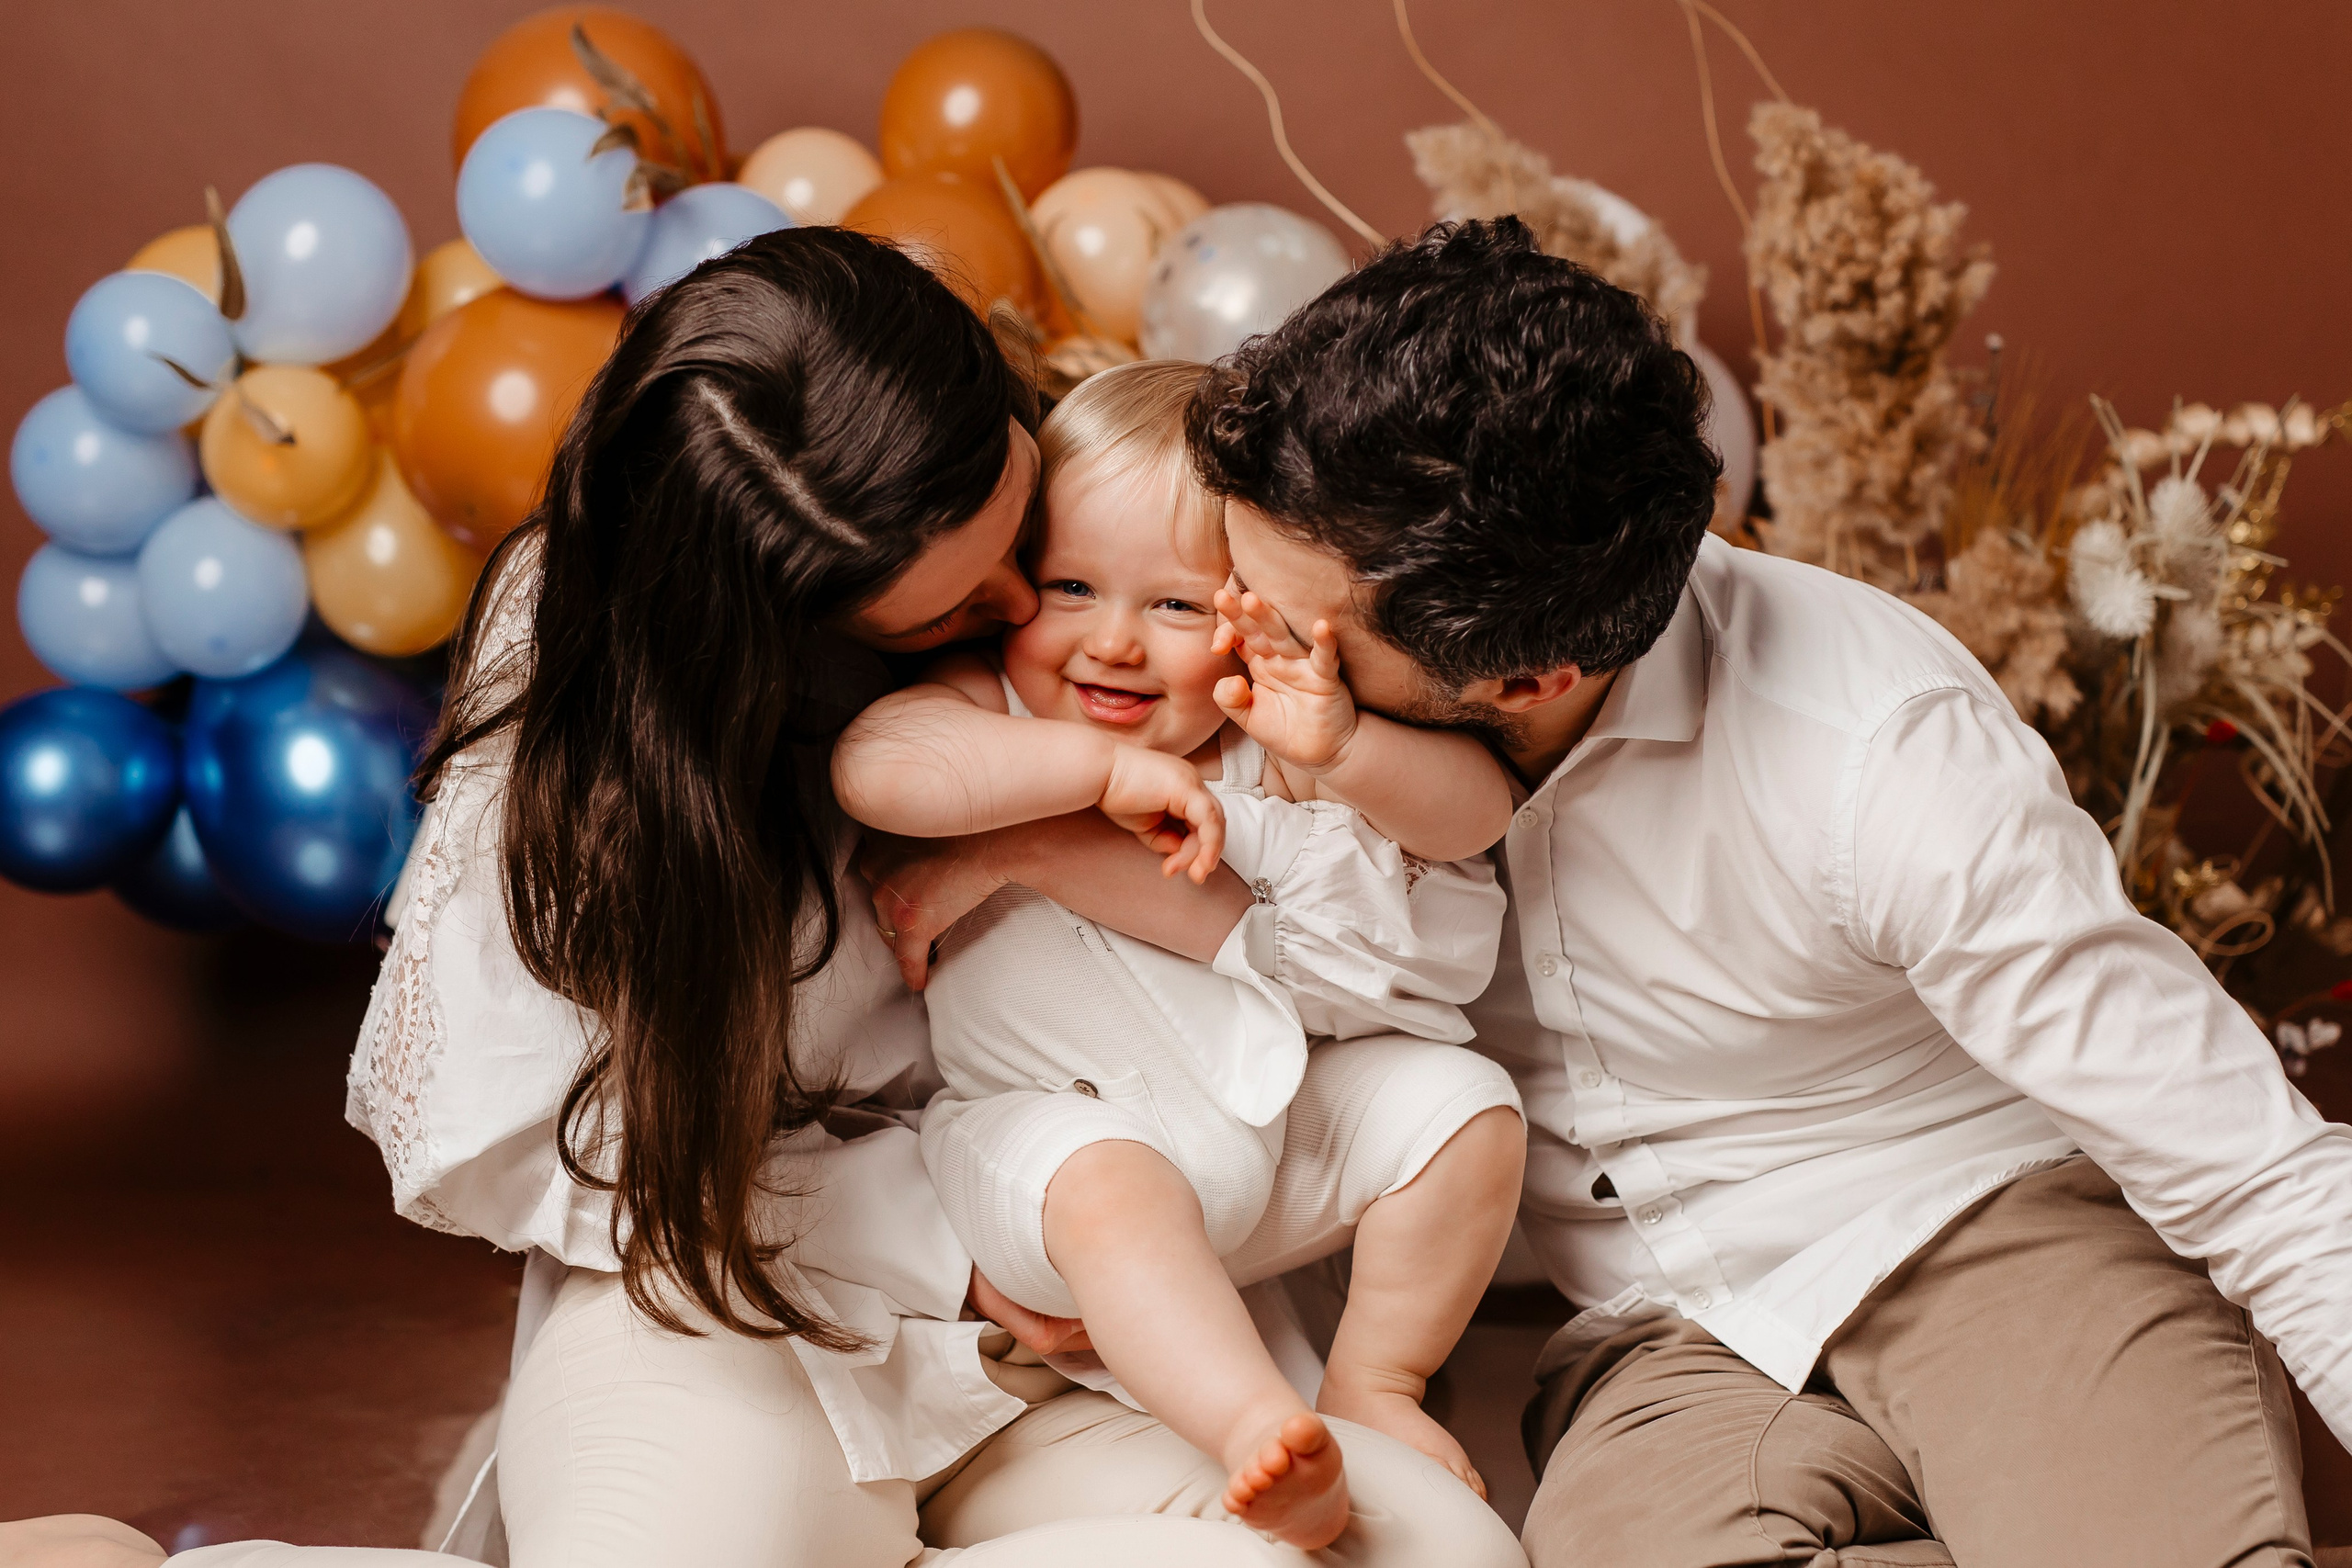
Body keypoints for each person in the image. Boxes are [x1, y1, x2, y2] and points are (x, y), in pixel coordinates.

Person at [0, 231, 1528, 1568]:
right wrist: (962, 1246)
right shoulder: (596, 715)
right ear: (792, 626)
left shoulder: (1112, 535)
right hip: (758, 1314)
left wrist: (1051, 847)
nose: (1030, 615)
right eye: (967, 604)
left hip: (1111, 1331)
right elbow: (531, 1143)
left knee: (1440, 1555)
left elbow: (1374, 952)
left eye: (1025, 531)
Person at [1178, 216, 2352, 1568]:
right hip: (1666, 1337)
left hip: (1995, 1227)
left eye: (1293, 623)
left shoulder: (1876, 750)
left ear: (1525, 679)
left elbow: (2260, 1174)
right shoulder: (1253, 698)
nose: (1234, 637)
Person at [831, 360, 1525, 1549]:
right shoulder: (994, 709)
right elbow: (878, 767)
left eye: (1175, 608)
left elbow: (1475, 818)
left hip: (1267, 1127)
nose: (1112, 643)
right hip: (1050, 1145)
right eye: (1071, 586)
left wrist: (1346, 744)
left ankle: (1375, 1381)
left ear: (1251, 614)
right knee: (1110, 1187)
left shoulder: (1267, 729)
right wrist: (1098, 778)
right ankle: (1260, 1426)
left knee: (1464, 1108)